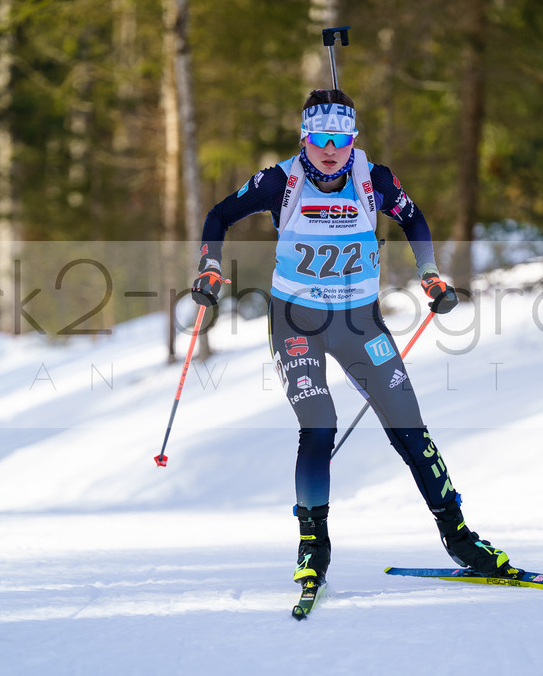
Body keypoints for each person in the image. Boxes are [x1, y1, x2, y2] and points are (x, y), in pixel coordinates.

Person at [190, 89, 519, 587]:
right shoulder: (282, 180)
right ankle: (312, 545)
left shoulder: (374, 180)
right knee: (319, 421)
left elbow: (414, 218)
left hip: (358, 323)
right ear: (304, 137)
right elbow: (219, 214)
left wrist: (429, 273)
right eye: (320, 138)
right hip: (296, 321)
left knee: (410, 426)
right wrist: (210, 266)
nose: (330, 149)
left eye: (340, 139)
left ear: (352, 140)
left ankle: (460, 539)